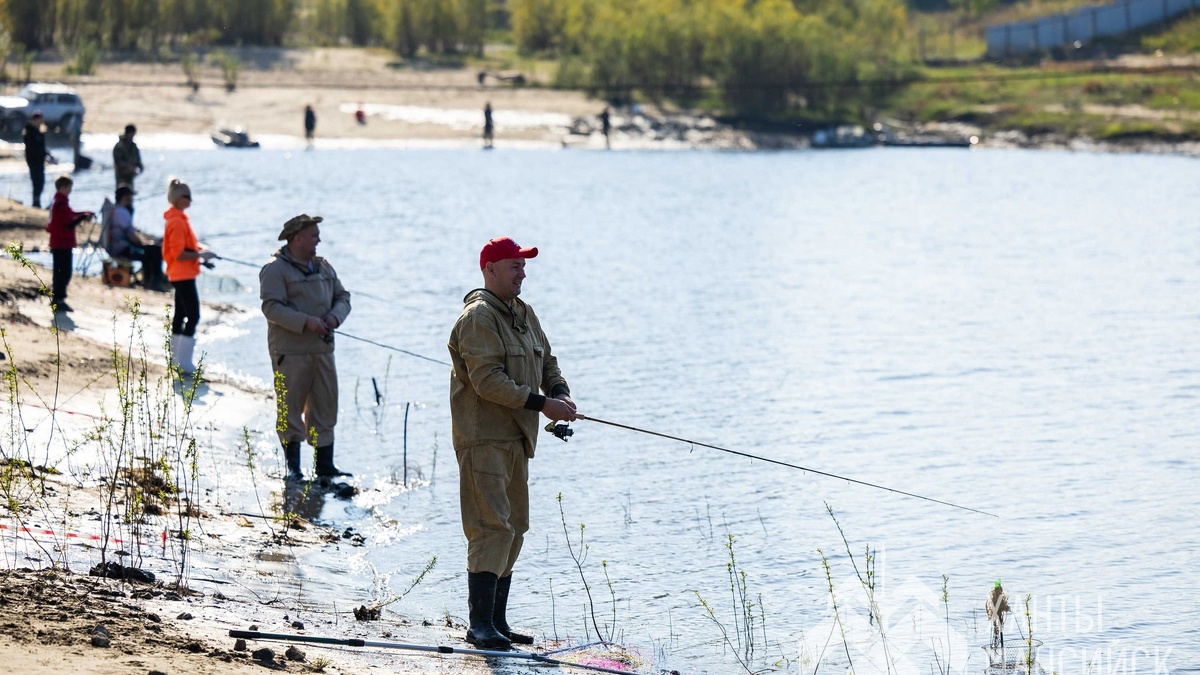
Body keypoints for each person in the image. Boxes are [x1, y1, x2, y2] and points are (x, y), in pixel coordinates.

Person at [447, 236, 577, 650]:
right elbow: (487, 381)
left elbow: (547, 360)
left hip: (517, 438)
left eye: (523, 266)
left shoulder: (522, 311)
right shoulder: (479, 317)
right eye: (514, 266)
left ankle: (497, 623)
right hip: (483, 437)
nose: (522, 273)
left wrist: (559, 390)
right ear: (489, 270)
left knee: (515, 527)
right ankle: (478, 626)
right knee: (490, 527)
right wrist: (542, 403)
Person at [260, 214, 352, 481]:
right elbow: (271, 308)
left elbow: (343, 297)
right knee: (289, 409)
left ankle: (325, 467)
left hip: (323, 350)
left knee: (326, 407)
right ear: (297, 238)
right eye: (314, 235)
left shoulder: (324, 267)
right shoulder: (274, 269)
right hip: (290, 352)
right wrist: (306, 322)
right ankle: (293, 469)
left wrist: (335, 317)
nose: (318, 240)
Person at [161, 179, 215, 376]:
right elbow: (179, 254)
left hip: (182, 273)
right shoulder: (176, 221)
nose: (190, 200)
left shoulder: (179, 218)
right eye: (187, 196)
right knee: (193, 316)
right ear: (178, 198)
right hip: (182, 275)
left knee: (180, 315)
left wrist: (202, 250)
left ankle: (176, 359)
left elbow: (187, 247)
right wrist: (201, 256)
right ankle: (184, 362)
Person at [44, 174, 93, 312]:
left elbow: (70, 214)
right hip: (61, 243)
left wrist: (84, 213)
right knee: (64, 272)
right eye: (69, 187)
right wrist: (83, 217)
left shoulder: (59, 201)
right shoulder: (60, 203)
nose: (70, 190)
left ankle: (57, 299)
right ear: (63, 187)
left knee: (60, 272)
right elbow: (69, 223)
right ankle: (58, 299)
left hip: (59, 242)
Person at [106, 184, 166, 291]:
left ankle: (149, 281)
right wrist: (145, 243)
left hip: (117, 246)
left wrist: (146, 242)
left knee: (151, 249)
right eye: (130, 196)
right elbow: (132, 236)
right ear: (125, 197)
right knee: (154, 251)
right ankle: (153, 283)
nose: (132, 199)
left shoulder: (117, 210)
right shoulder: (121, 212)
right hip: (121, 249)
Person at [23, 111, 51, 208]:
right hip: (33, 161)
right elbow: (31, 147)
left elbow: (42, 148)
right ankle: (35, 202)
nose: (41, 122)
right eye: (39, 120)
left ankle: (37, 201)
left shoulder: (40, 133)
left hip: (40, 161)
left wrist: (48, 156)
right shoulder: (29, 132)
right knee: (36, 181)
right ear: (34, 120)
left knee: (41, 181)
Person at [113, 124, 144, 190]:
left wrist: (140, 168)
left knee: (129, 194)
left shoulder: (134, 146)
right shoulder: (119, 146)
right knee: (121, 195)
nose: (132, 136)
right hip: (121, 177)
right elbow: (118, 161)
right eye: (132, 134)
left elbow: (138, 160)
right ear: (128, 133)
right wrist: (128, 168)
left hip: (130, 177)